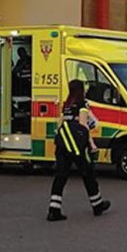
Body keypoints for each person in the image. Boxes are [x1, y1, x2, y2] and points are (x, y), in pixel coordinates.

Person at [47, 79, 111, 222]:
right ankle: (97, 204)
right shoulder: (82, 105)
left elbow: (60, 125)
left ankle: (53, 209)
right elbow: (83, 125)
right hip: (77, 146)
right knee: (88, 174)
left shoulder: (67, 105)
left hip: (63, 144)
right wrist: (91, 143)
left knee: (61, 176)